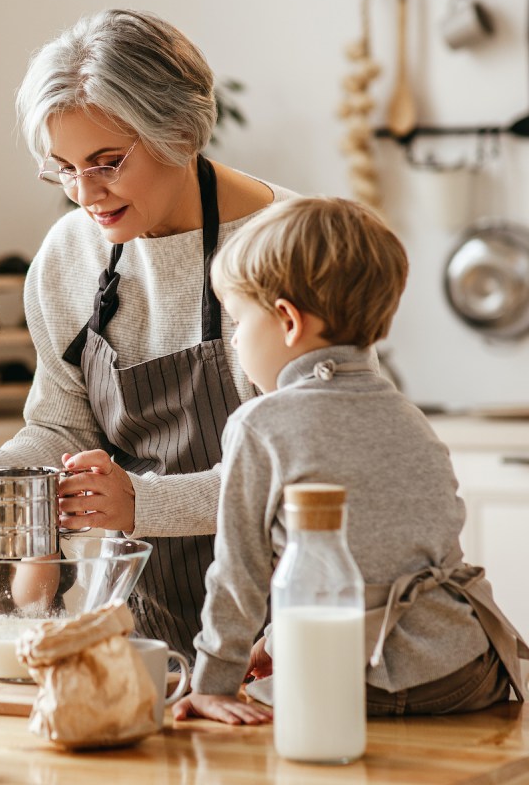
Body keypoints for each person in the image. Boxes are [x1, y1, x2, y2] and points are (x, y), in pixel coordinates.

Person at [0, 8, 298, 664]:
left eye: (107, 162)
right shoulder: (70, 255)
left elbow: (309, 469)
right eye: (61, 167)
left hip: (288, 621)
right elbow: (62, 433)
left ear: (179, 129)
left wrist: (140, 504)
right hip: (145, 627)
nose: (85, 194)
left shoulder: (291, 242)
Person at [172, 196, 529, 725]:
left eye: (239, 322)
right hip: (467, 670)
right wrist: (278, 639)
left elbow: (239, 574)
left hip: (349, 681)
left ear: (288, 322)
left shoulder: (261, 423)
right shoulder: (407, 415)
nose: (237, 341)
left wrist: (212, 684)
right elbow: (397, 554)